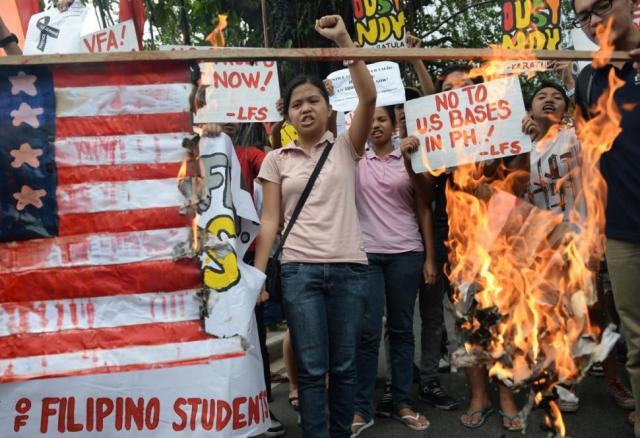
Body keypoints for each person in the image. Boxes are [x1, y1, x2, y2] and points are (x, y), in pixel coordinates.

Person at [253, 14, 376, 438]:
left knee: (343, 368)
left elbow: (369, 96)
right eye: (296, 104)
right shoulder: (277, 160)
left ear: (328, 107)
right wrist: (259, 277)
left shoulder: (347, 145)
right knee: (310, 370)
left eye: (312, 101)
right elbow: (271, 220)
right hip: (299, 271)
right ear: (287, 115)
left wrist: (344, 41)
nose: (306, 108)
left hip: (349, 270)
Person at [572, 0, 640, 432]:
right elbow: (591, 160)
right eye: (583, 16)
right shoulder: (589, 80)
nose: (594, 21)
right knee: (636, 341)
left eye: (601, 7)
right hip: (622, 231)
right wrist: (593, 226)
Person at [351, 105, 431, 436]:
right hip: (366, 256)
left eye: (381, 119)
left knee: (401, 329)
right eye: (369, 120)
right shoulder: (354, 159)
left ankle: (402, 402)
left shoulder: (408, 154)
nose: (375, 125)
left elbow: (425, 202)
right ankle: (359, 408)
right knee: (367, 332)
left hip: (407, 253)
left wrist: (430, 258)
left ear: (393, 124)